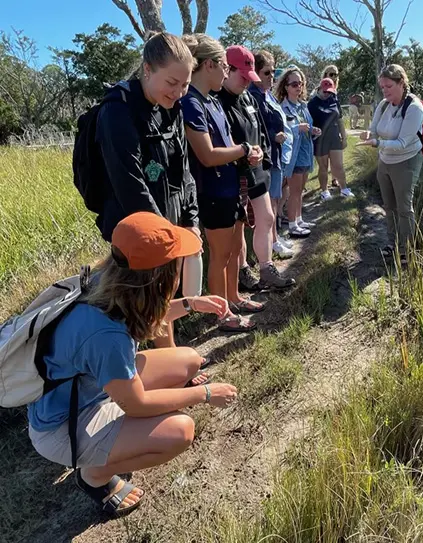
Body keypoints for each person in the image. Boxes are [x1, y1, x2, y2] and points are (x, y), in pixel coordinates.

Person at [28, 212, 238, 517]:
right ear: (159, 276)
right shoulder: (106, 336)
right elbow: (137, 404)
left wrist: (192, 303)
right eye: (176, 263)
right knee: (180, 432)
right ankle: (94, 476)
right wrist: (205, 394)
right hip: (63, 428)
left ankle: (110, 444)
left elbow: (140, 312)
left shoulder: (104, 281)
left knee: (189, 360)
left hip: (89, 390)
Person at [90, 32, 202, 348]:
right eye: (172, 83)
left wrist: (190, 219)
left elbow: (184, 169)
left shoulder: (173, 108)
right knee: (137, 302)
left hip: (170, 220)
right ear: (148, 70)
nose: (179, 93)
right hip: (136, 229)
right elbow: (130, 184)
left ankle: (167, 356)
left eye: (185, 85)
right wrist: (165, 238)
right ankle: (136, 373)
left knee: (166, 290)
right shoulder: (118, 110)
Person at [180, 34, 263, 330]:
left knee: (232, 251)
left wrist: (245, 155)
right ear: (210, 65)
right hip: (212, 191)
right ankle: (221, 313)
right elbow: (207, 154)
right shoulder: (191, 103)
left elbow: (225, 145)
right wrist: (242, 150)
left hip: (230, 188)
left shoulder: (212, 101)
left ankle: (234, 297)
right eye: (225, 67)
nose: (228, 73)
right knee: (220, 255)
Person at [216, 45, 295, 290]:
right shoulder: (218, 101)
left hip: (258, 168)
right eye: (242, 77)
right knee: (239, 227)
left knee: (267, 217)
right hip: (235, 173)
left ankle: (266, 267)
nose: (245, 82)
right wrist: (243, 153)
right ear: (227, 70)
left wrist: (262, 152)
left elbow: (259, 128)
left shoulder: (247, 96)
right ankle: (242, 271)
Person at [358, 64, 423, 263]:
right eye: (382, 87)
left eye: (388, 86)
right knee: (388, 205)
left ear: (401, 83)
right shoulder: (384, 104)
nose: (384, 91)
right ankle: (392, 243)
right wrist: (369, 134)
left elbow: (403, 142)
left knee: (404, 207)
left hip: (406, 161)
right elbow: (374, 128)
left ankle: (405, 250)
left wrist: (378, 143)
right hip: (385, 161)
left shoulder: (414, 108)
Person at [249, 50, 294, 259]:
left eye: (273, 72)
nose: (272, 77)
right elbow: (257, 127)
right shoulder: (253, 96)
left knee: (275, 200)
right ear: (255, 72)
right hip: (266, 158)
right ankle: (272, 242)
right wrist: (273, 136)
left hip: (275, 156)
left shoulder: (267, 95)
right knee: (270, 202)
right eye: (267, 72)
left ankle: (275, 239)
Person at [275, 67, 321, 238]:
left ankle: (299, 219)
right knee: (294, 192)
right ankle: (293, 224)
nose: (298, 87)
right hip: (293, 157)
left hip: (305, 155)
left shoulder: (303, 106)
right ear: (286, 86)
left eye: (300, 83)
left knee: (300, 190)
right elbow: (283, 133)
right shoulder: (282, 108)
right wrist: (297, 129)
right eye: (294, 84)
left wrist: (313, 130)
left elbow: (306, 125)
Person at [308, 78, 354, 202]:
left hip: (334, 138)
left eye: (330, 92)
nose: (327, 94)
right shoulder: (312, 104)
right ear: (319, 89)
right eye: (325, 91)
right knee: (323, 167)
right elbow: (308, 123)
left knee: (338, 165)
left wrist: (344, 137)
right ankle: (324, 191)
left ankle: (344, 189)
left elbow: (339, 120)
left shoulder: (334, 101)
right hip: (320, 140)